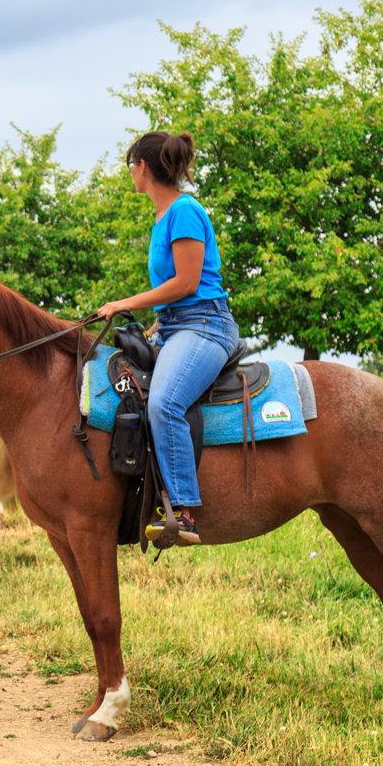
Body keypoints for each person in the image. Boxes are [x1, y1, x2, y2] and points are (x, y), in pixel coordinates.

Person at [96, 131, 238, 545]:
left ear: (142, 167)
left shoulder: (185, 211)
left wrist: (126, 302)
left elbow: (188, 283)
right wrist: (156, 325)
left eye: (130, 166)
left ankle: (182, 512)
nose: (130, 174)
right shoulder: (161, 216)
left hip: (206, 326)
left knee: (164, 401)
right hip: (177, 326)